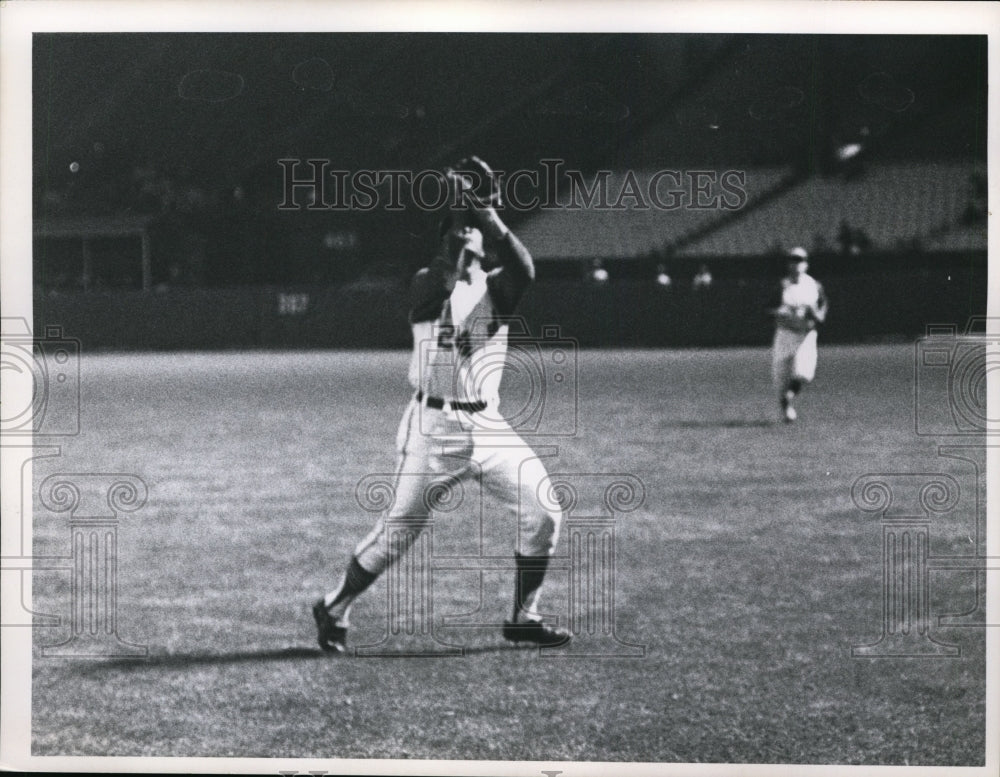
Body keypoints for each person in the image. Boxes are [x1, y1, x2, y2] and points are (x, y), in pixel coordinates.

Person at [312, 156, 570, 653]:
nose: (470, 237)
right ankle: (334, 606)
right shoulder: (425, 281)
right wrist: (461, 214)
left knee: (544, 512)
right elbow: (449, 282)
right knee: (398, 532)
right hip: (433, 428)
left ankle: (523, 617)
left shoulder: (497, 288)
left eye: (472, 232)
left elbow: (525, 268)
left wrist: (488, 214)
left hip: (488, 425)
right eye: (462, 232)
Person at [770, 247, 829, 422]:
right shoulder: (782, 286)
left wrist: (817, 314)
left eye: (800, 260)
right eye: (793, 260)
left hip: (806, 335)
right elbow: (767, 309)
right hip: (785, 335)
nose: (797, 264)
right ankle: (785, 404)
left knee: (803, 373)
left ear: (806, 264)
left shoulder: (814, 285)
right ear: (788, 264)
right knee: (780, 380)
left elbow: (823, 306)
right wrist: (779, 313)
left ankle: (789, 396)